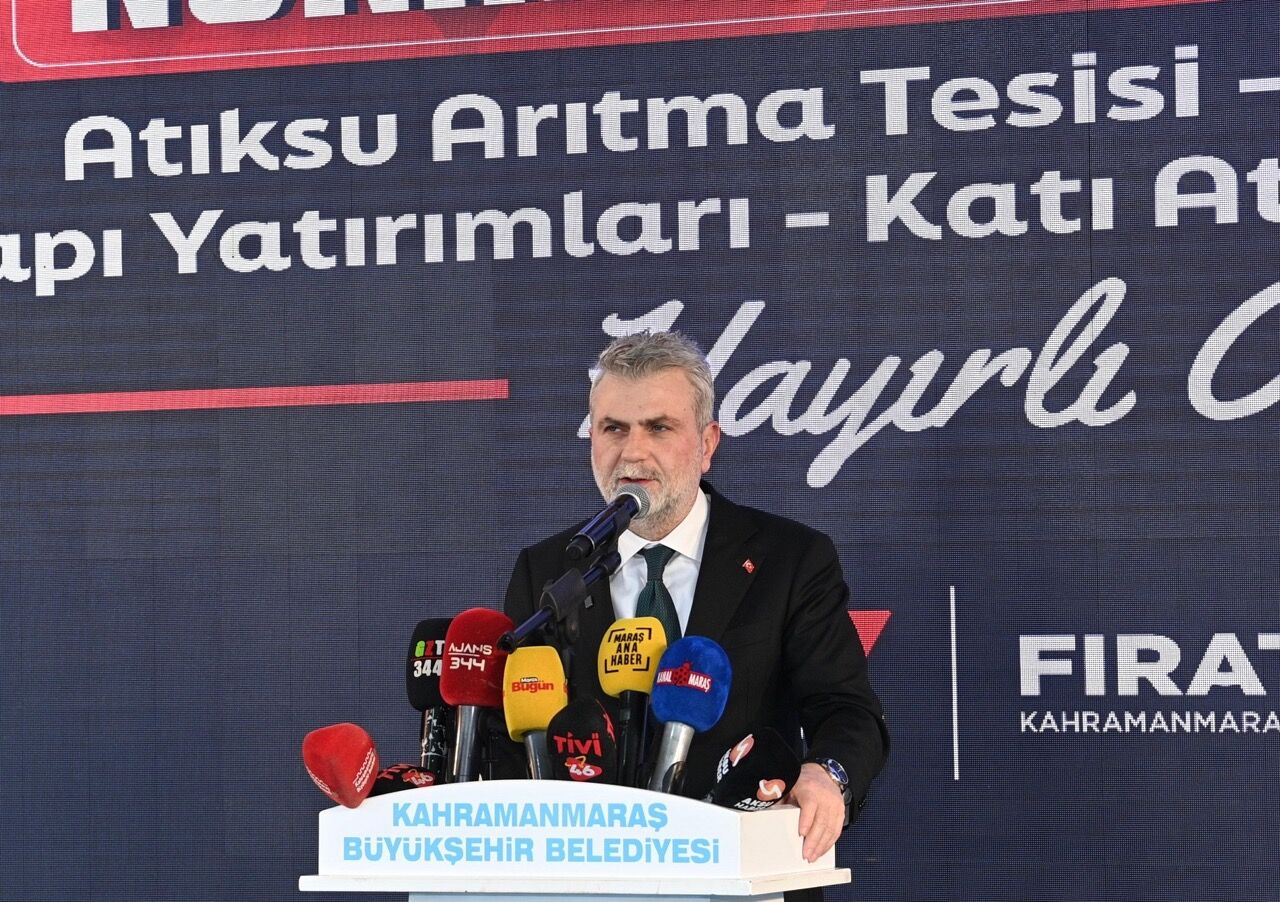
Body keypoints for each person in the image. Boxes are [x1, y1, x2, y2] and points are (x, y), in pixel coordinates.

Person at [502, 331, 888, 899]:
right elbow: (513, 738)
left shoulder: (790, 559)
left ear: (707, 444)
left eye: (659, 428)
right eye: (613, 429)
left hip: (741, 876)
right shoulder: (549, 572)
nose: (633, 452)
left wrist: (825, 774)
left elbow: (848, 711)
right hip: (585, 881)